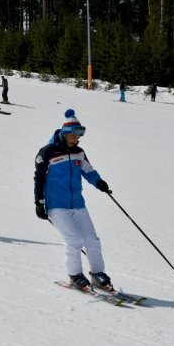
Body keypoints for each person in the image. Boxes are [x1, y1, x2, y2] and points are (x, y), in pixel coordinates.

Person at [33, 109, 113, 291]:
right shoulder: (47, 152)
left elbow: (88, 170)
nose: (79, 138)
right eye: (77, 134)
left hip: (78, 204)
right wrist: (39, 202)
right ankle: (75, 276)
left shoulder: (79, 152)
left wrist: (98, 182)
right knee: (74, 240)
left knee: (92, 239)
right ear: (67, 133)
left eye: (81, 135)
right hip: (57, 206)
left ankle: (97, 274)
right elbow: (39, 178)